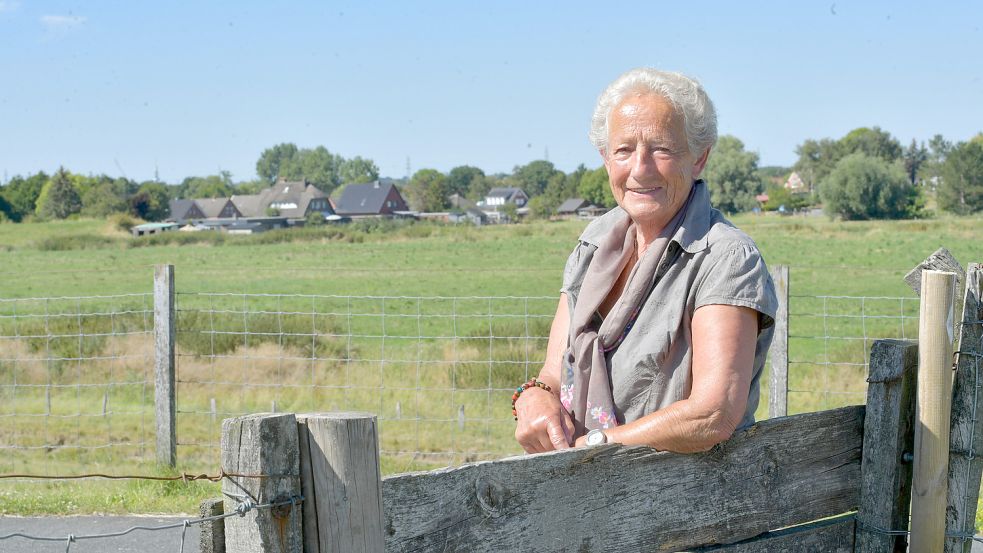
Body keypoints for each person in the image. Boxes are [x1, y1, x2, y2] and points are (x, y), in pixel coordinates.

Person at [514, 68, 778, 454]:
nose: (640, 168)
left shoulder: (726, 258)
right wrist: (532, 397)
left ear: (699, 158)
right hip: (581, 493)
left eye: (662, 149)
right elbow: (553, 373)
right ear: (606, 159)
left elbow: (713, 414)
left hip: (681, 499)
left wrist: (593, 447)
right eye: (623, 150)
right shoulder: (592, 245)